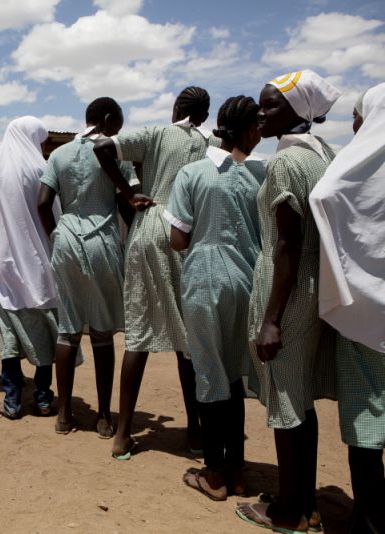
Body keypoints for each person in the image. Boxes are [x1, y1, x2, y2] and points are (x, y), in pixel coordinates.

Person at [235, 70, 341, 534]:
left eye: (272, 105)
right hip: (317, 285)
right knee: (300, 399)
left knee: (284, 400)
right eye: (261, 104)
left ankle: (288, 513)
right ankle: (304, 501)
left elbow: (286, 245)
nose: (261, 112)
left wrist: (272, 319)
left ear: (301, 111)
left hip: (288, 290)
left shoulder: (284, 163)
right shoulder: (325, 156)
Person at [93, 86, 219, 459]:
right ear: (205, 115)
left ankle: (123, 436)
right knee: (188, 337)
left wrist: (128, 193)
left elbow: (102, 146)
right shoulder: (211, 143)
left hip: (148, 227)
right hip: (185, 233)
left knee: (139, 332)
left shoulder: (155, 134)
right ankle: (196, 434)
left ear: (177, 108)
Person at [164, 96, 266, 501]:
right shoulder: (261, 174)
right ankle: (238, 470)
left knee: (209, 374)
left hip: (204, 282)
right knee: (236, 376)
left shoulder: (192, 173)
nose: (261, 133)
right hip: (247, 281)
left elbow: (177, 239)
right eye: (257, 127)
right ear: (246, 130)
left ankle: (215, 473)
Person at [309, 82, 385, 534]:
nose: (354, 125)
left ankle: (370, 517)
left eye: (358, 116)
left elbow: (323, 196)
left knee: (366, 418)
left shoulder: (357, 166)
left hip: (369, 314)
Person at [38, 97, 137, 438]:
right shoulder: (115, 154)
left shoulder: (59, 154)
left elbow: (42, 203)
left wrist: (56, 233)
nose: (119, 133)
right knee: (101, 331)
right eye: (118, 125)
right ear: (108, 119)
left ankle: (64, 415)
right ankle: (105, 417)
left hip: (65, 239)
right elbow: (129, 204)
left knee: (67, 329)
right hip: (103, 241)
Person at [0, 116, 59, 419]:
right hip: (38, 260)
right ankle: (42, 399)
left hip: (5, 261)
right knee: (45, 332)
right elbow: (54, 212)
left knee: (9, 335)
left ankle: (11, 401)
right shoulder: (40, 168)